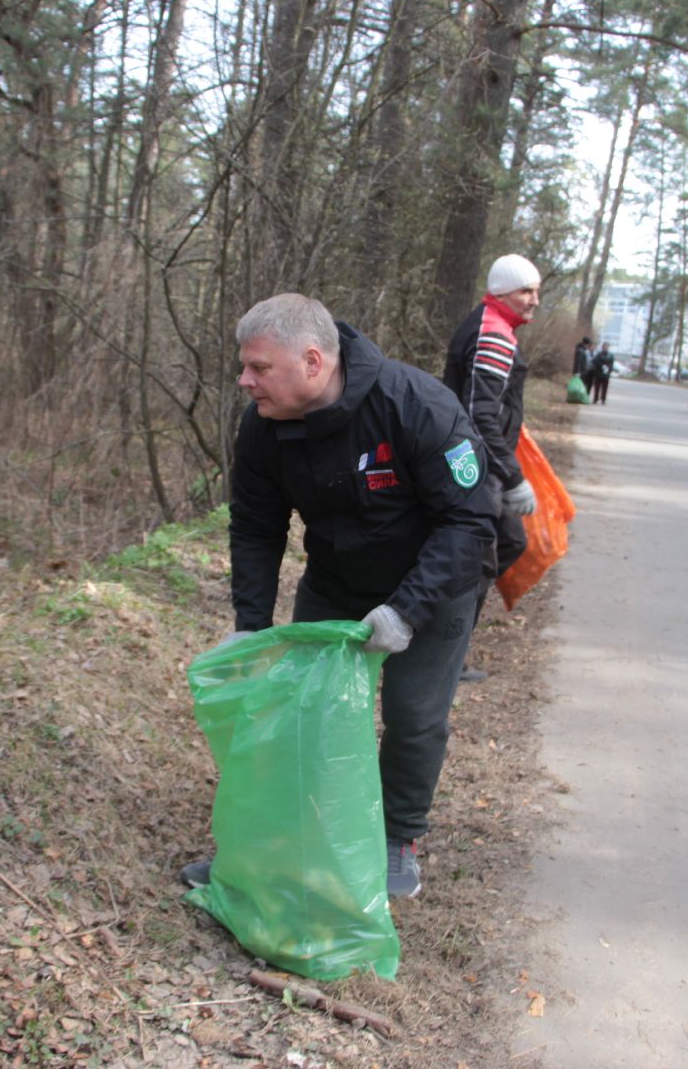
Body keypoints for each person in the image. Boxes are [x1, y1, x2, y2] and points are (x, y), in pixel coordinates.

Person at [181, 293, 497, 900]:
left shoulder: (416, 406)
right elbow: (254, 523)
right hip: (336, 580)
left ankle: (395, 838)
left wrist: (406, 610)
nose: (245, 380)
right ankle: (281, 838)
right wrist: (250, 621)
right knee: (306, 709)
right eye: (245, 367)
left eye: (258, 368)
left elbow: (469, 522)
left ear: (312, 360)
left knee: (412, 715)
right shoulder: (265, 425)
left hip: (435, 586)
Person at [441, 254, 541, 683]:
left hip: (478, 463)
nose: (534, 300)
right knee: (478, 561)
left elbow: (492, 408)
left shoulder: (495, 325)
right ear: (502, 292)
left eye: (537, 291)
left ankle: (447, 642)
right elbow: (478, 415)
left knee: (504, 545)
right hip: (474, 468)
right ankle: (443, 651)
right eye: (526, 291)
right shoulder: (495, 334)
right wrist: (510, 476)